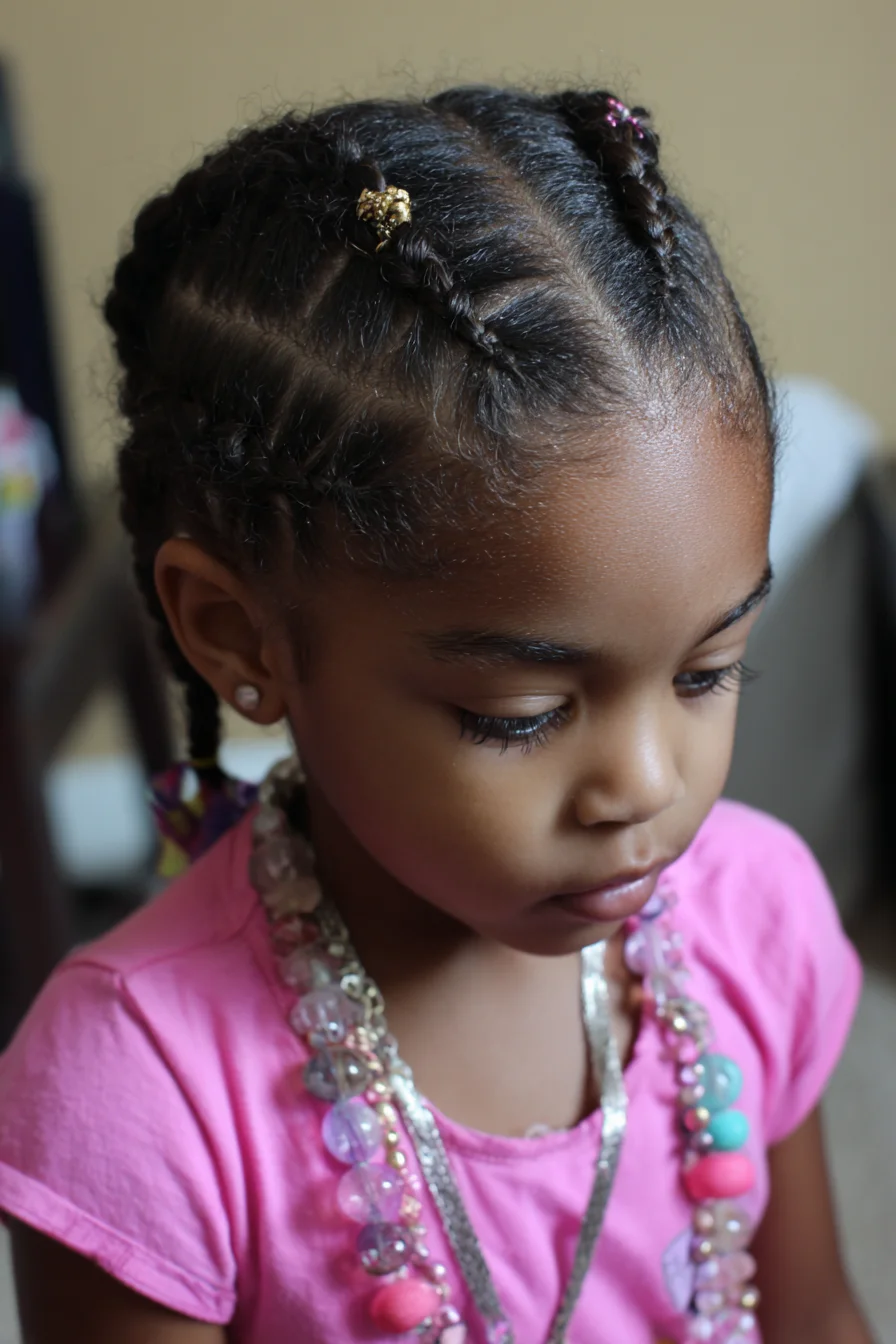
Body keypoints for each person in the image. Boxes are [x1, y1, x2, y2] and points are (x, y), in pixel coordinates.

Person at [0, 86, 872, 1344]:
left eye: (704, 670)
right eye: (519, 712)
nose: (642, 783)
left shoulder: (754, 922)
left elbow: (812, 1316)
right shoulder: (137, 1093)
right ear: (240, 638)